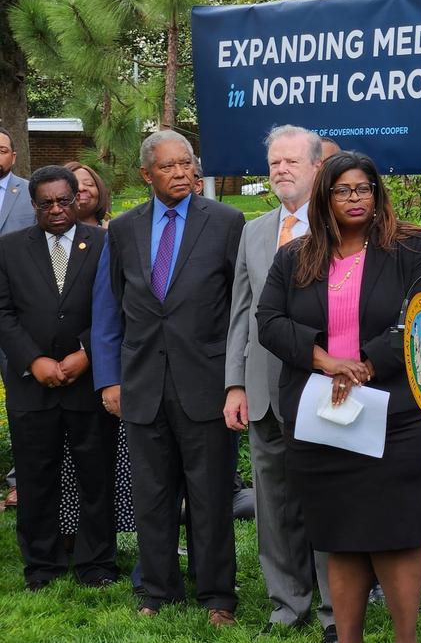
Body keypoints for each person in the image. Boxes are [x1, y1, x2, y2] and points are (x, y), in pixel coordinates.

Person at [256, 151, 421, 643]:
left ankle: (407, 638)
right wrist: (325, 361)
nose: (354, 198)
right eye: (342, 190)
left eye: (363, 188)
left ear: (378, 194)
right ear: (325, 197)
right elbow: (270, 322)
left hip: (398, 415)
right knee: (339, 538)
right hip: (323, 416)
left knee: (397, 534)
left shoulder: (413, 249)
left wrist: (364, 363)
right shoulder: (294, 257)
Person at [94, 130, 245, 625]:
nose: (183, 173)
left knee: (210, 497)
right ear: (146, 174)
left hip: (206, 384)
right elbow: (110, 310)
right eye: (170, 167)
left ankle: (217, 596)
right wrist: (110, 379)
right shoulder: (122, 229)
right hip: (142, 387)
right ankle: (156, 591)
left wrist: (235, 380)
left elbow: (239, 308)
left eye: (188, 164)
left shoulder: (226, 221)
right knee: (152, 497)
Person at [222, 125, 336, 640]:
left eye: (292, 161)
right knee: (273, 505)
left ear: (317, 167)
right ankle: (288, 604)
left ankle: (338, 607)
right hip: (264, 394)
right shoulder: (255, 230)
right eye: (274, 163)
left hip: (322, 388)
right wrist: (235, 384)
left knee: (327, 501)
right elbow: (241, 314)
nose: (282, 171)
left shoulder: (339, 226)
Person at [0, 165, 117, 588]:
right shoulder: (10, 248)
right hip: (32, 384)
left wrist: (85, 353)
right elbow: (3, 312)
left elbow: (117, 306)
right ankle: (42, 565)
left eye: (63, 201)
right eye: (46, 203)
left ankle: (97, 564)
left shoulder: (106, 244)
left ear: (77, 198)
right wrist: (34, 361)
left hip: (88, 380)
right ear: (33, 205)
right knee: (35, 476)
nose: (56, 210)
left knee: (96, 474)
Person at [57, 162, 134, 545]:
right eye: (73, 184)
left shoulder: (117, 235)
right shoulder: (38, 240)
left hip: (99, 362)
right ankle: (66, 531)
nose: (81, 190)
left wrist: (88, 351)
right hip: (53, 370)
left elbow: (114, 305)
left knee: (101, 459)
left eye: (88, 183)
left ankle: (101, 535)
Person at [0, 125, 37, 508]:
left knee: (20, 400)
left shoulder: (30, 195)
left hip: (14, 315)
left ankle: (21, 480)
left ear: (13, 155)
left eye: (2, 149)